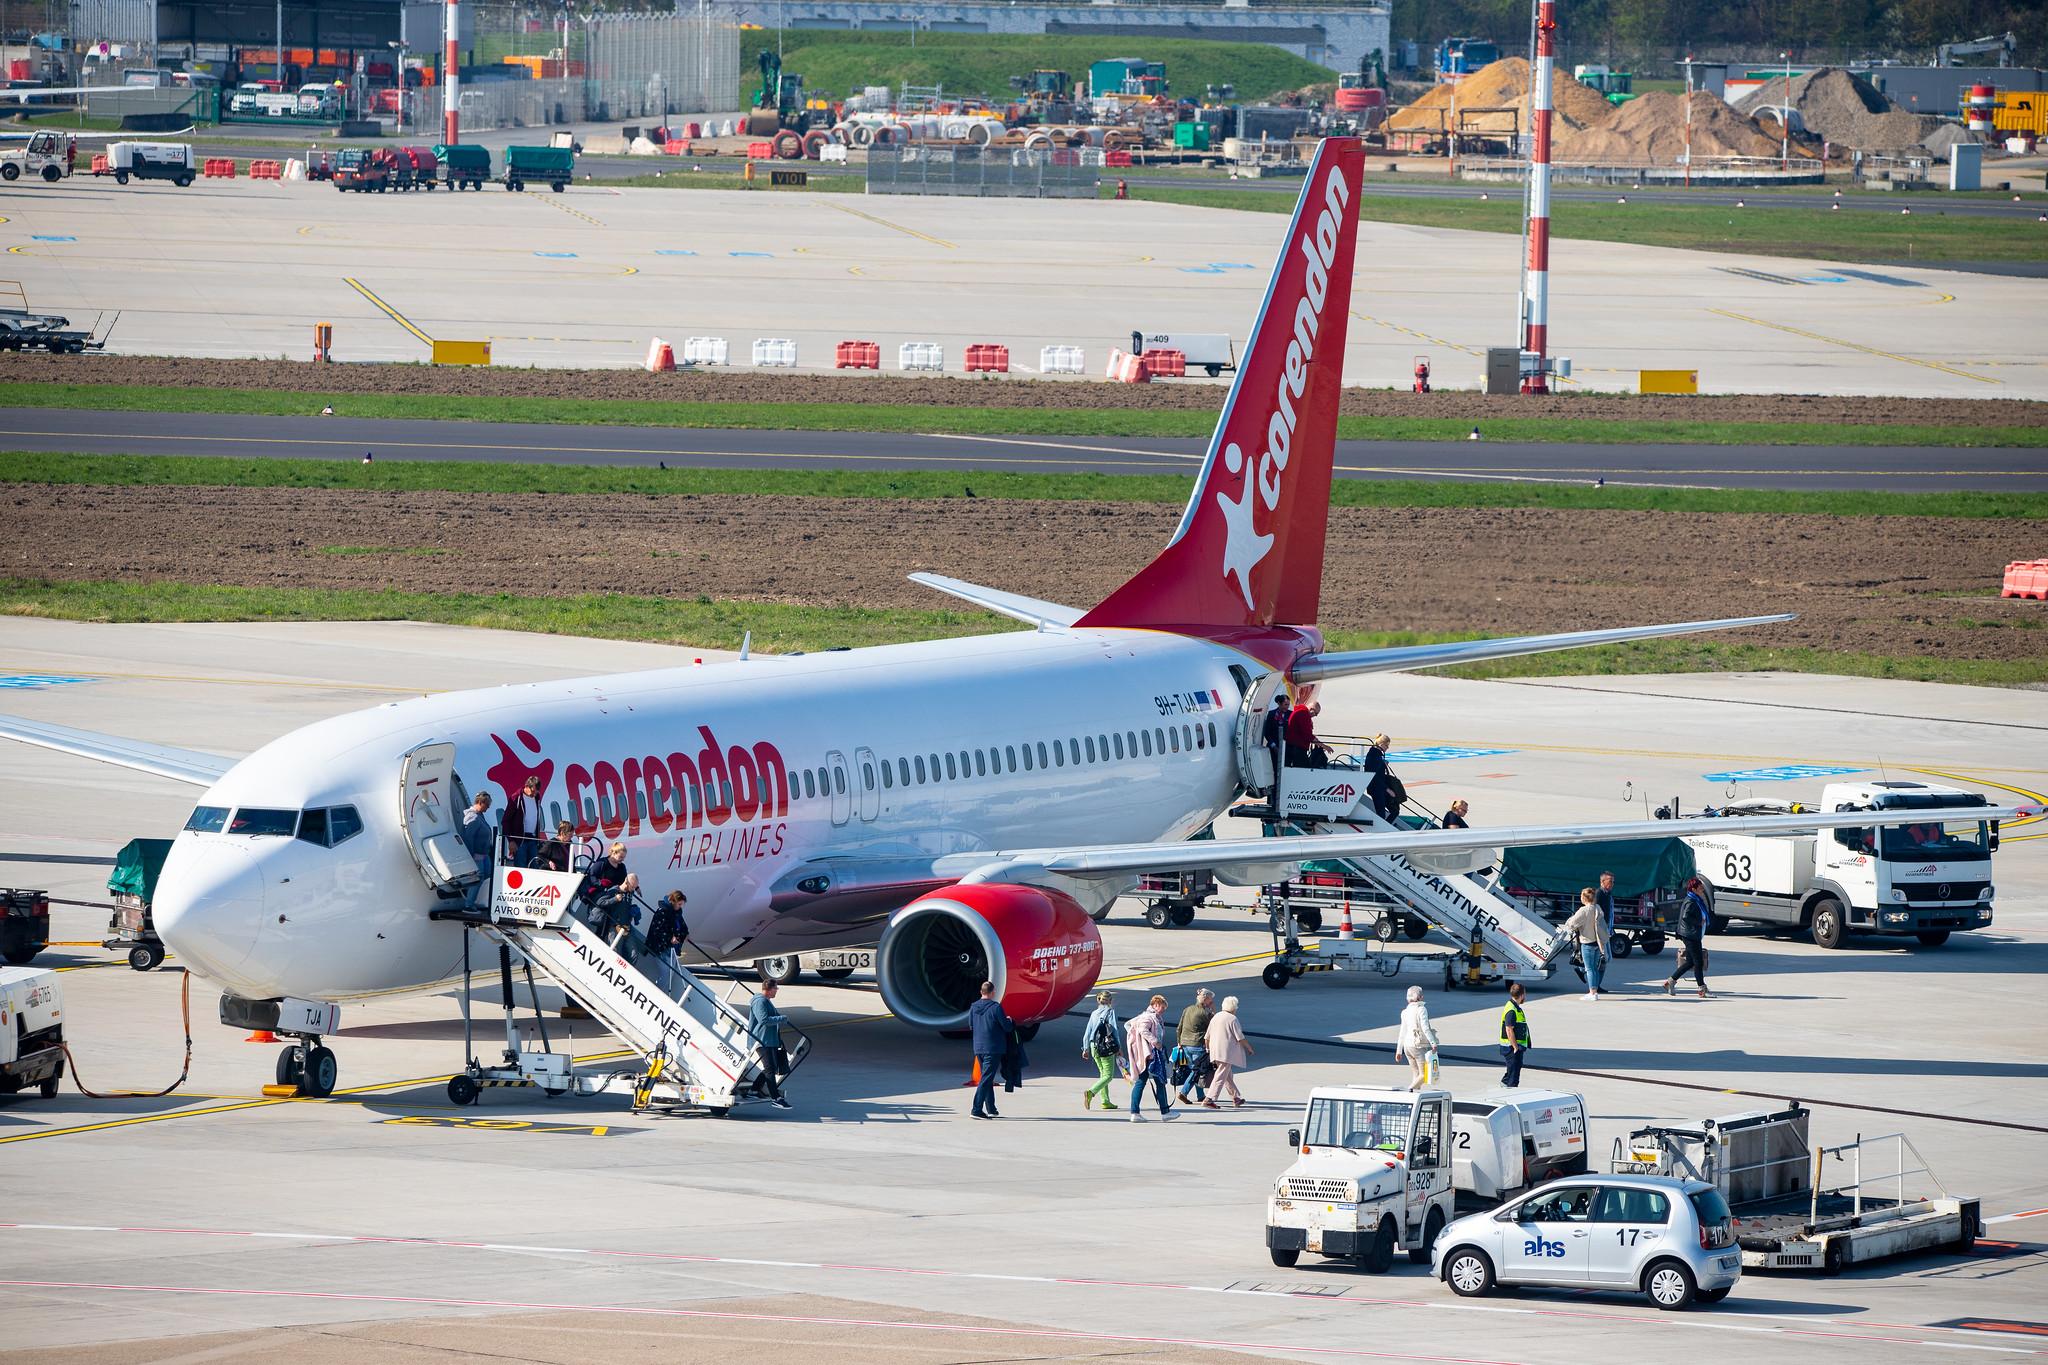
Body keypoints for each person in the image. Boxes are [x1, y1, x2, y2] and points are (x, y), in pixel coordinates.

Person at [1125, 994, 1177, 1122]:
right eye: (1162, 1007)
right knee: (1159, 1081)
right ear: (1155, 1005)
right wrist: (1155, 1042)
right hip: (1151, 1055)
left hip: (1149, 1055)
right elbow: (1143, 1030)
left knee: (1141, 1082)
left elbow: (1128, 1026)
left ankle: (1135, 1113)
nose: (1164, 1010)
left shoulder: (1151, 1017)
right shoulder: (1148, 1017)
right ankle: (1165, 1112)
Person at [747, 981, 793, 1109]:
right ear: (769, 989)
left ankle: (754, 1091)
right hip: (761, 1040)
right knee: (770, 1069)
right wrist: (782, 1019)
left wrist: (779, 1017)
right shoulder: (759, 1001)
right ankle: (776, 1098)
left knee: (771, 1067)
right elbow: (764, 1020)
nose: (776, 991)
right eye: (775, 989)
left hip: (769, 1040)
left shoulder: (766, 1001)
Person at [969, 981, 1011, 1119]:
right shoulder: (995, 1007)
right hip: (993, 1048)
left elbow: (971, 1025)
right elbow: (1006, 1027)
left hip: (978, 1047)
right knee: (986, 1079)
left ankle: (991, 1108)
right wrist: (1009, 1021)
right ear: (992, 992)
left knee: (987, 1077)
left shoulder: (973, 1007)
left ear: (981, 992)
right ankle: (976, 1109)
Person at [1665, 877, 1713, 999]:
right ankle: (1702, 989)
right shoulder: (1691, 901)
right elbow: (1686, 917)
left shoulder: (1694, 899)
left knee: (1691, 962)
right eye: (1700, 887)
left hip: (1691, 934)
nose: (1702, 889)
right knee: (1698, 962)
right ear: (1694, 889)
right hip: (1690, 935)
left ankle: (1670, 982)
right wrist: (1699, 922)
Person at [1204, 996, 1252, 1107]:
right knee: (1221, 1075)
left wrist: (1208, 1048)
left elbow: (1207, 1036)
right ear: (1233, 1008)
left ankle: (1235, 1097)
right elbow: (1240, 1037)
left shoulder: (1216, 1017)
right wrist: (1249, 1048)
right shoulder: (1232, 1019)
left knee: (1227, 1075)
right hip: (1226, 1053)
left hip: (1215, 1051)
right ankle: (1209, 1099)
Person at [1081, 990, 1123, 1112]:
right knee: (1109, 1076)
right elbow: (1114, 1030)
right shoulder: (1111, 1012)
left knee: (1103, 1074)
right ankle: (1091, 1092)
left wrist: (1085, 1048)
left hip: (1093, 1046)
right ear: (1110, 1001)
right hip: (1105, 1047)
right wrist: (1118, 1047)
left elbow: (1087, 1032)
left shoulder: (1094, 1013)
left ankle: (1105, 1101)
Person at [1174, 989, 1216, 1106]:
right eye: (1210, 999)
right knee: (1197, 1071)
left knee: (1195, 1068)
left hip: (1185, 1044)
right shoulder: (1204, 1013)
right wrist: (1213, 1010)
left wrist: (1179, 1042)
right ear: (1206, 999)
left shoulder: (1187, 1009)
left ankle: (1200, 1095)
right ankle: (1183, 1092)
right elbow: (1214, 1024)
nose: (1211, 1001)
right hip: (1197, 1044)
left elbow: (1179, 1027)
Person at [1563, 888, 1605, 1002]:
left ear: (1584, 898)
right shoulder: (1598, 908)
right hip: (1598, 942)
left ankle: (1592, 993)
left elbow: (1572, 924)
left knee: (1589, 968)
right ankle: (1594, 990)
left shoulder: (1583, 910)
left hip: (1587, 942)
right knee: (1595, 968)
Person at [1394, 985, 1439, 1091]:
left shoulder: (1404, 1012)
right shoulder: (1421, 1009)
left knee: (1416, 1074)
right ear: (1421, 997)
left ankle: (1414, 1095)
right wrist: (1433, 1043)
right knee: (1425, 1074)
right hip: (1417, 1046)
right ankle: (1409, 1090)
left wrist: (1399, 1051)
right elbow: (1425, 1028)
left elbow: (1402, 1032)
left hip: (1407, 1047)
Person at [645, 889, 688, 993]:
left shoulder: (676, 912)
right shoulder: (662, 912)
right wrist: (670, 938)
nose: (680, 906)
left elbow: (682, 926)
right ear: (673, 901)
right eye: (679, 904)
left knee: (670, 973)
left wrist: (684, 934)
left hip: (670, 947)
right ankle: (657, 994)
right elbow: (657, 930)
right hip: (661, 947)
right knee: (666, 972)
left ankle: (661, 993)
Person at [504, 774, 547, 866]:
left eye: (536, 792)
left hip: (532, 839)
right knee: (521, 867)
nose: (534, 794)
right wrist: (511, 840)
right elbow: (506, 821)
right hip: (520, 840)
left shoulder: (536, 798)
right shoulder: (516, 798)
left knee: (534, 866)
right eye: (533, 791)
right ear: (527, 786)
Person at [592, 872, 641, 949]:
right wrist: (615, 899)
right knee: (614, 949)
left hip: (626, 925)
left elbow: (631, 880)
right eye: (632, 887)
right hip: (614, 925)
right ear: (626, 883)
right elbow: (600, 902)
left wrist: (637, 888)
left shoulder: (630, 892)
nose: (633, 890)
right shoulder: (614, 890)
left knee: (633, 953)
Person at [1363, 733, 1403, 822]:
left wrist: (1383, 764)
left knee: (1395, 811)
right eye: (1386, 745)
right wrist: (1387, 789)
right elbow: (1374, 776)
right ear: (1381, 744)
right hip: (1377, 789)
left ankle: (1386, 828)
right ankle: (1382, 832)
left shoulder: (1377, 755)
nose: (1388, 748)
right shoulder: (1374, 756)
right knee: (1381, 814)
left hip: (1380, 788)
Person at [1498, 983, 1531, 1087]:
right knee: (1513, 1078)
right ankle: (1509, 1095)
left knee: (1510, 1073)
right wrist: (1515, 1047)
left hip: (1513, 1048)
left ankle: (1502, 1088)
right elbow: (1509, 1029)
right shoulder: (1512, 1010)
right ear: (1521, 995)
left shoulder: (1514, 1007)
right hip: (1511, 1048)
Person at [458, 791, 495, 875]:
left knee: (487, 878)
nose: (488, 807)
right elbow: (468, 837)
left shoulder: (479, 815)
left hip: (484, 854)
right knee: (479, 879)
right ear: (480, 802)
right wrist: (472, 855)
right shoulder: (472, 816)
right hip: (477, 856)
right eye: (487, 804)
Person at [1261, 695, 1293, 790]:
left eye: (1288, 705)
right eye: (1285, 704)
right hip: (1274, 748)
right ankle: (1273, 795)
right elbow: (1267, 733)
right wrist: (1274, 746)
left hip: (1287, 748)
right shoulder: (1271, 714)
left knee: (1285, 771)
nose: (1286, 707)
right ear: (1279, 703)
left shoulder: (1291, 714)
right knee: (1274, 771)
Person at [1285, 699, 1327, 769]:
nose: (1315, 716)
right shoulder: (1303, 714)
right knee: (1303, 769)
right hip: (1297, 749)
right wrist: (1324, 746)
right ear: (1311, 709)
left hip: (1295, 747)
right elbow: (1308, 735)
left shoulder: (1301, 712)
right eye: (1316, 713)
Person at [1594, 871, 1618, 974]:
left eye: (1613, 882)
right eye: (1610, 881)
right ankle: (1583, 970)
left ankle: (1598, 983)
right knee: (1603, 958)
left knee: (1606, 958)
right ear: (1602, 881)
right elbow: (1594, 912)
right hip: (1601, 930)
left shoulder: (1608, 894)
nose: (1612, 884)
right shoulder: (1599, 893)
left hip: (1606, 929)